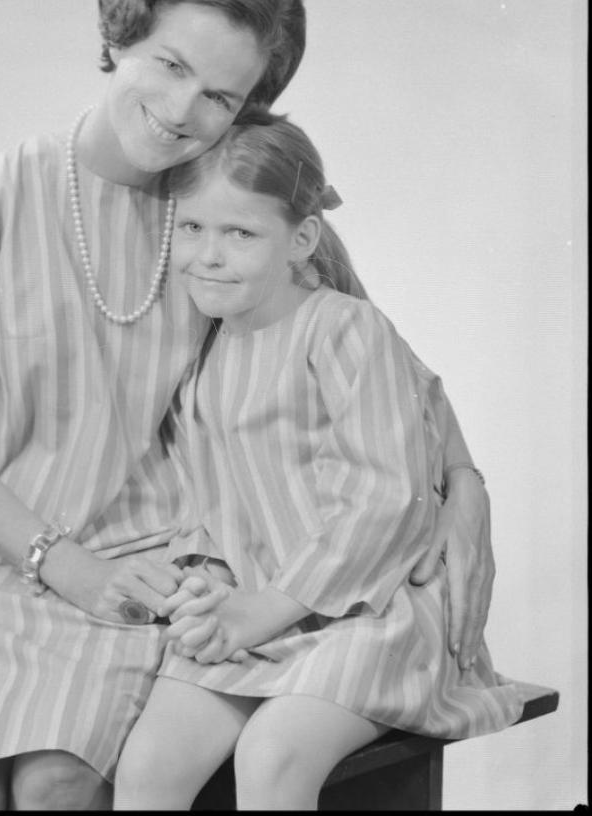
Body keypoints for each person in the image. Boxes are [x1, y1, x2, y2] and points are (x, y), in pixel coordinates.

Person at [0, 0, 494, 811]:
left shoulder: (232, 208)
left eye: (220, 95)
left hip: (167, 565)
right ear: (120, 35)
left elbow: (380, 364)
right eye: (169, 65)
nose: (180, 112)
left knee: (60, 787)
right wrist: (69, 567)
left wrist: (463, 480)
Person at [113, 113, 525, 811]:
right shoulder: (202, 351)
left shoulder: (343, 330)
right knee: (147, 766)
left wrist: (266, 609)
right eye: (191, 228)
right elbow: (211, 506)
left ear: (300, 238)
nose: (207, 255)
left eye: (239, 233)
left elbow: (383, 501)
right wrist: (206, 587)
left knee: (272, 756)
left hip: (369, 615)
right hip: (257, 610)